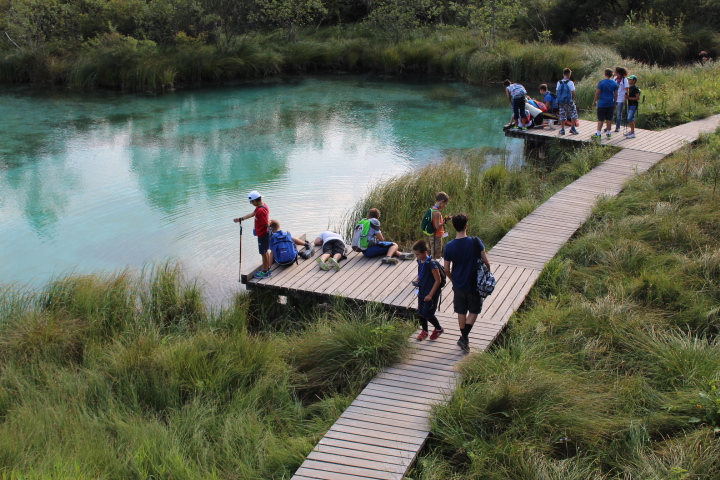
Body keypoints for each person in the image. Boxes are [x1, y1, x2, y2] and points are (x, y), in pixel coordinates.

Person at [443, 213, 490, 353]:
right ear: (466, 226)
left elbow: (446, 269)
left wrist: (453, 279)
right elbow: (486, 261)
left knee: (461, 311)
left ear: (453, 226)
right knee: (474, 310)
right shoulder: (475, 241)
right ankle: (464, 337)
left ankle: (464, 338)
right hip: (474, 283)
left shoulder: (449, 246)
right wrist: (487, 275)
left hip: (458, 284)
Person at [234, 190, 271, 279]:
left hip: (263, 234)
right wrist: (240, 219)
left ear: (255, 200)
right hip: (264, 234)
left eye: (251, 202)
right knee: (265, 251)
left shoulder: (260, 210)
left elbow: (266, 224)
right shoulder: (262, 206)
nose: (251, 203)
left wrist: (270, 223)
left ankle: (265, 271)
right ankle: (268, 268)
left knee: (263, 253)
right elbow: (252, 214)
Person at [412, 240, 444, 341]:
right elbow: (421, 273)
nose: (416, 256)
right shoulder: (420, 261)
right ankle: (424, 331)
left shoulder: (432, 264)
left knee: (428, 314)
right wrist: (418, 279)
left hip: (431, 293)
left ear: (425, 252)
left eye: (418, 254)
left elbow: (438, 281)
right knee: (421, 313)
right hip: (422, 290)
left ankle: (438, 329)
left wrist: (430, 295)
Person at [592, 68, 618, 140]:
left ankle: (598, 133)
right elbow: (616, 94)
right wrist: (615, 103)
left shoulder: (601, 83)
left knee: (601, 119)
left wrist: (594, 101)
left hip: (602, 103)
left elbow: (597, 93)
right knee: (609, 119)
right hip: (610, 103)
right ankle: (608, 133)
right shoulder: (614, 83)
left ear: (605, 74)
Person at [556, 68, 579, 135]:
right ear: (569, 74)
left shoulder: (559, 82)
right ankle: (573, 128)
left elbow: (557, 92)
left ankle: (562, 129)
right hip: (569, 101)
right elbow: (573, 92)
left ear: (563, 74)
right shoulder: (570, 82)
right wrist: (572, 99)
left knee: (562, 115)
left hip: (561, 101)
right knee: (573, 114)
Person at [427, 192, 449, 259]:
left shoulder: (432, 209)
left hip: (433, 235)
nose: (445, 206)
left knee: (434, 253)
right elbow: (437, 226)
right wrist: (444, 222)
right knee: (436, 255)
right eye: (445, 204)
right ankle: (434, 268)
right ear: (442, 201)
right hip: (436, 237)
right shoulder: (437, 213)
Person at [613, 66, 630, 133]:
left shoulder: (624, 80)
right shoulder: (614, 78)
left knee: (618, 113)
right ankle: (608, 126)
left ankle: (618, 127)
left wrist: (625, 100)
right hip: (614, 98)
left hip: (621, 99)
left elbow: (626, 90)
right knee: (611, 113)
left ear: (618, 72)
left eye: (615, 71)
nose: (614, 72)